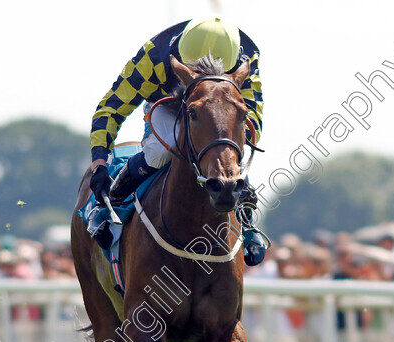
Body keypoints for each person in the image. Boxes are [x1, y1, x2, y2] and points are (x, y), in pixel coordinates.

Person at [87, 16, 266, 264]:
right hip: (168, 106)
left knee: (226, 153)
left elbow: (253, 109)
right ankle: (110, 203)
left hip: (220, 111)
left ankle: (247, 221)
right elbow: (111, 108)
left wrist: (231, 144)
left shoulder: (246, 57)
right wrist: (99, 163)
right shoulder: (154, 56)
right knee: (160, 152)